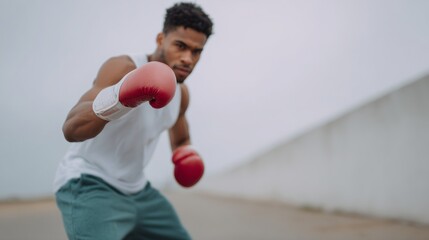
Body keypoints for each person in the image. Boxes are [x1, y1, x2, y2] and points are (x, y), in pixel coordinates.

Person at [53, 2, 214, 240]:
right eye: (180, 46)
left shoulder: (182, 95)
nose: (188, 59)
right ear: (161, 39)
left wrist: (186, 156)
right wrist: (120, 98)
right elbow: (72, 128)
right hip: (89, 183)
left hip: (139, 191)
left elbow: (181, 138)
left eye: (196, 51)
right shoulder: (124, 67)